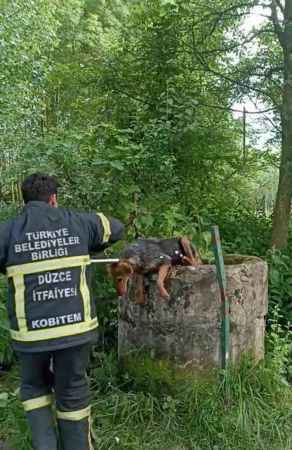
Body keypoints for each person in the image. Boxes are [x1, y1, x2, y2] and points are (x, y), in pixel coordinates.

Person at [0, 173, 124, 450]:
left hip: (30, 336)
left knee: (34, 389)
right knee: (73, 392)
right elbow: (114, 228)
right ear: (54, 199)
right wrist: (89, 241)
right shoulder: (78, 222)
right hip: (75, 331)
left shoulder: (8, 231)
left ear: (25, 200)